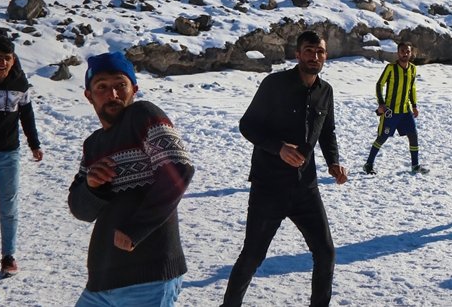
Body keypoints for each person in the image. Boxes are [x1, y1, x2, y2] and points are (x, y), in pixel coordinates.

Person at [222, 30, 348, 307]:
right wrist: (278, 148)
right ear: (297, 54)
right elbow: (248, 125)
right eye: (309, 51)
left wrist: (333, 162)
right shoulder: (274, 84)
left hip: (306, 188)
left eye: (320, 52)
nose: (315, 57)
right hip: (269, 187)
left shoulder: (325, 91)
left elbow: (327, 131)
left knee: (325, 253)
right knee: (253, 256)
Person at [68, 51, 194, 306]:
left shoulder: (143, 116)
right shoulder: (93, 144)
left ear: (134, 89)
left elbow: (179, 169)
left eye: (120, 85)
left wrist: (136, 229)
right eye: (102, 87)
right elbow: (80, 209)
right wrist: (93, 187)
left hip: (149, 277)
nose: (112, 94)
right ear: (88, 95)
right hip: (102, 280)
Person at [0, 36, 43, 278]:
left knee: (9, 208)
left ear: (13, 60)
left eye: (7, 58)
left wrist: (34, 144)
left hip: (8, 155)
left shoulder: (19, 84)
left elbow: (27, 115)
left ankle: (8, 257)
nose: (3, 62)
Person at [363, 41, 425, 174]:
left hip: (405, 111)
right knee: (382, 138)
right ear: (398, 53)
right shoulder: (391, 68)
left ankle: (415, 165)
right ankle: (368, 164)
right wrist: (381, 104)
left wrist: (414, 106)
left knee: (413, 136)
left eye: (408, 51)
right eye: (402, 51)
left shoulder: (413, 68)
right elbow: (379, 84)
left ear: (411, 53)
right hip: (390, 112)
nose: (405, 54)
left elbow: (412, 88)